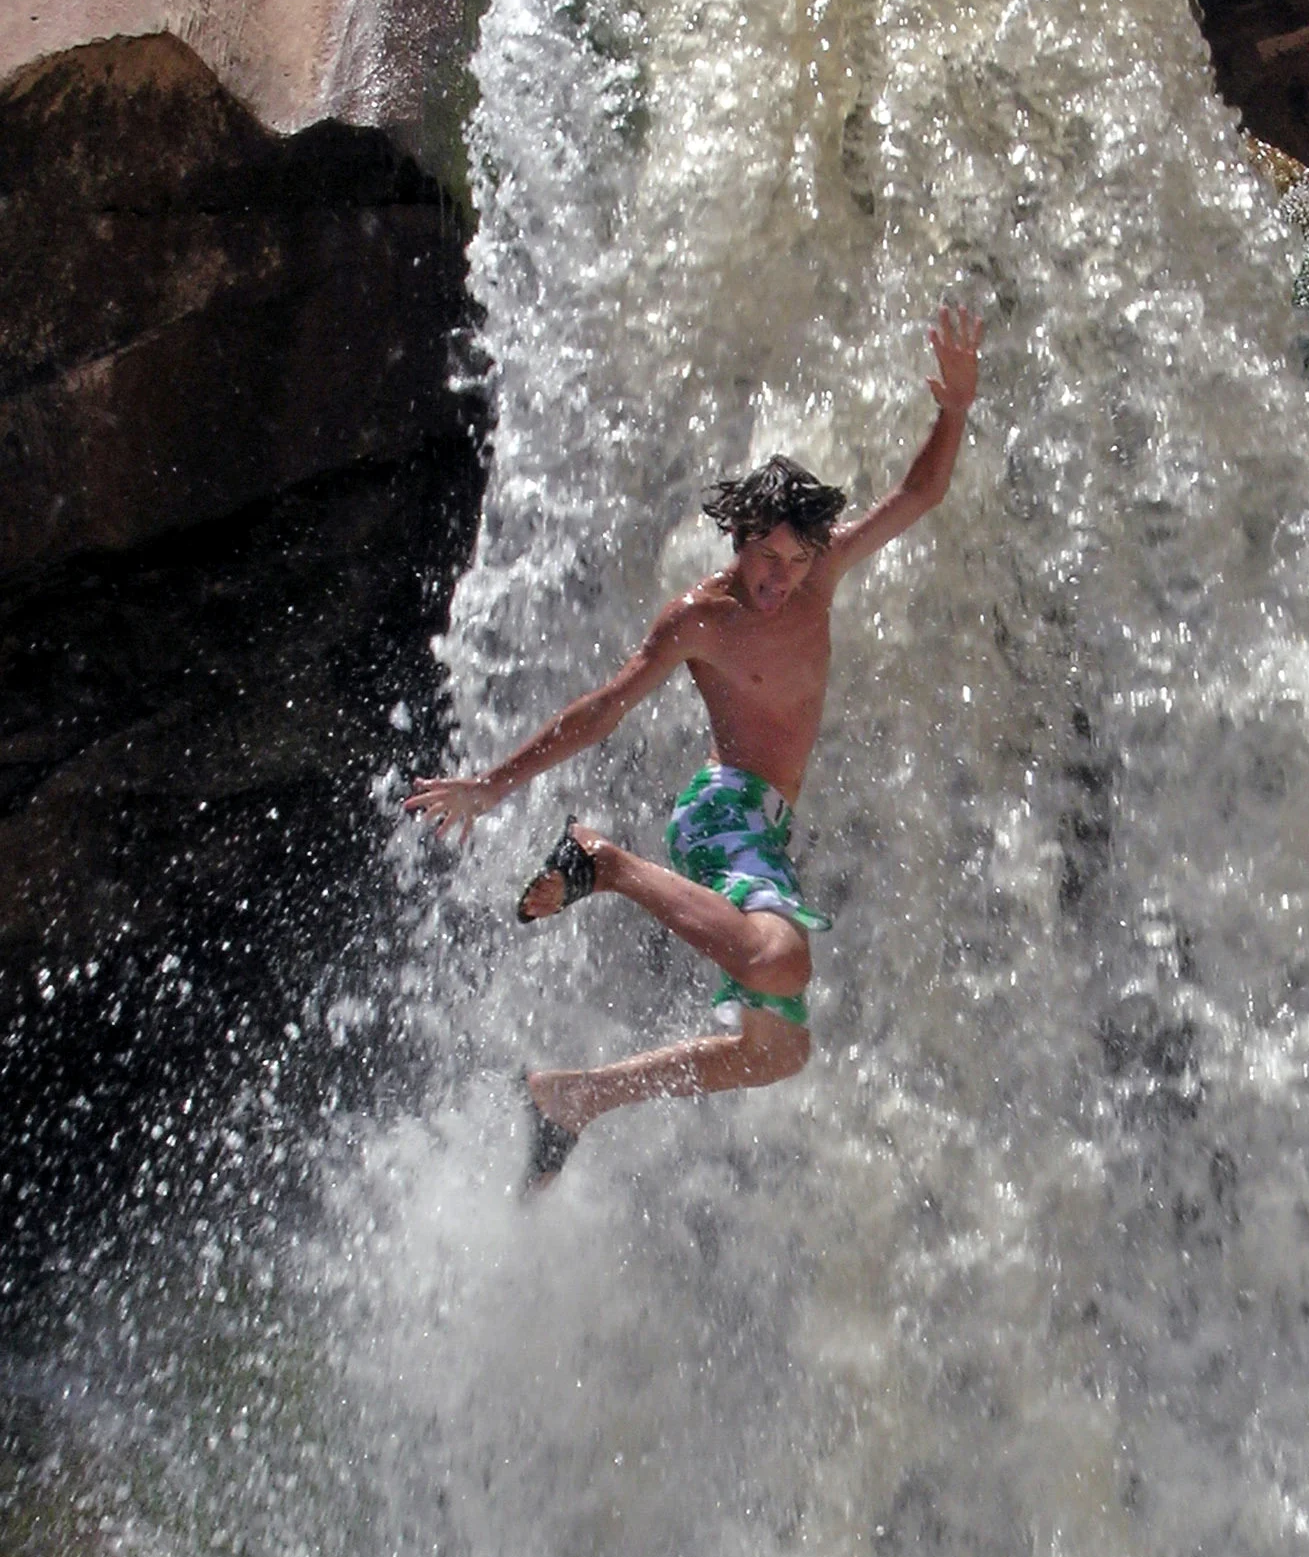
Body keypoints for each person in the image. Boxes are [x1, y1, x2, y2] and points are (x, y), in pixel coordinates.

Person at [403, 304, 983, 1184]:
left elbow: (919, 495)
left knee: (775, 1051)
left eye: (795, 562)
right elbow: (604, 708)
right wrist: (493, 783)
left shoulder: (819, 578)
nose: (779, 579)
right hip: (722, 812)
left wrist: (956, 407)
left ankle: (574, 1099)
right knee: (780, 959)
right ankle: (603, 862)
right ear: (740, 540)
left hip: (766, 824)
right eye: (767, 559)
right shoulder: (700, 619)